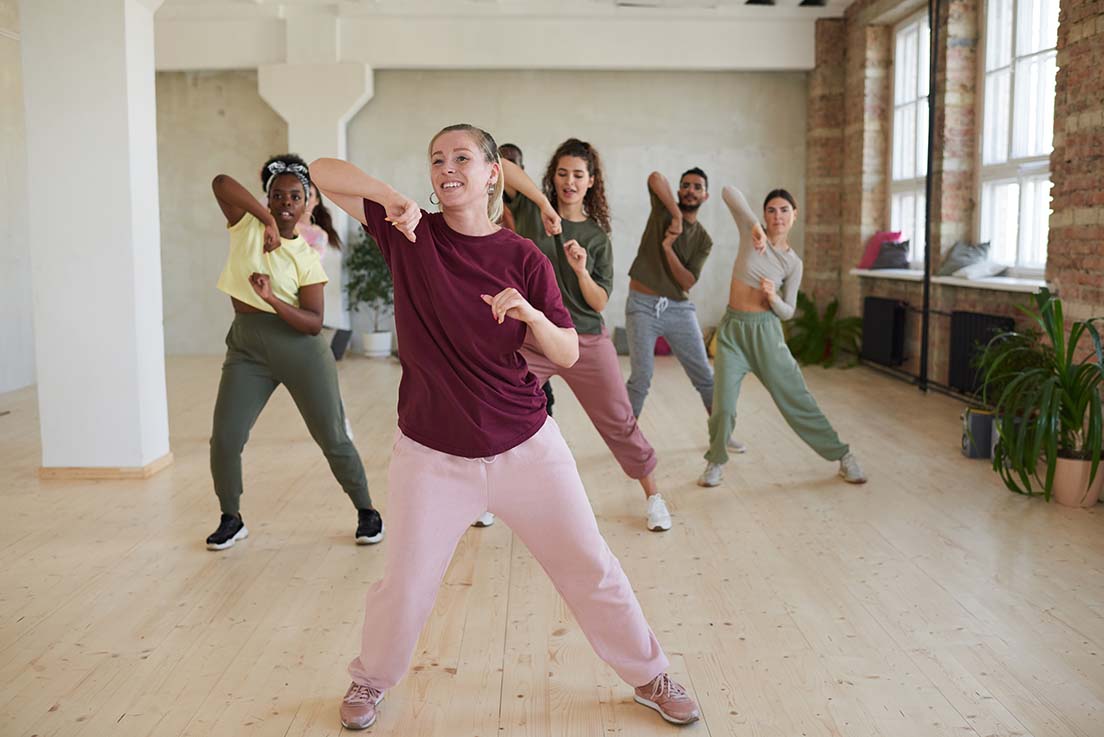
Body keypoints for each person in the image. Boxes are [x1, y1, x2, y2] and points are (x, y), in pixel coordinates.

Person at [311, 124, 700, 731]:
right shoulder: (409, 235)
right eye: (437, 158)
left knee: (588, 564)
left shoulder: (522, 256)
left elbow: (568, 351)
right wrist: (389, 199)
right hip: (431, 454)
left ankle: (651, 674)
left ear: (492, 172)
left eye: (462, 157)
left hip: (526, 446)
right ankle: (370, 681)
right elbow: (321, 169)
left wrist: (528, 316)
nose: (447, 167)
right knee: (405, 584)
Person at [204, 154, 383, 551]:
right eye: (278, 195)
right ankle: (230, 517)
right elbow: (220, 180)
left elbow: (314, 322)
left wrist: (270, 299)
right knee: (225, 438)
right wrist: (264, 221)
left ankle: (366, 510)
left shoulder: (305, 256)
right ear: (267, 199)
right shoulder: (245, 226)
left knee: (332, 436)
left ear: (307, 205)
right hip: (247, 348)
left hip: (300, 349)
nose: (286, 202)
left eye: (295, 196)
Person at [497, 137, 672, 531]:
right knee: (498, 408)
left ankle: (654, 496)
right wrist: (543, 205)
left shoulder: (596, 236)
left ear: (591, 182)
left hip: (585, 341)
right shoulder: (528, 209)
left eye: (578, 175)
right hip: (533, 339)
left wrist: (580, 269)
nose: (569, 182)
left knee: (619, 421)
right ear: (552, 177)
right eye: (562, 173)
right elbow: (500, 165)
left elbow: (597, 303)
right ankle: (493, 496)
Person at [699, 186, 866, 487]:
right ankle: (716, 461)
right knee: (722, 405)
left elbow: (788, 311)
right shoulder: (752, 236)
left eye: (784, 210)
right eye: (772, 210)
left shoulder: (793, 263)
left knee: (796, 399)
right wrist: (754, 227)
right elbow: (728, 192)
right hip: (733, 332)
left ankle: (843, 456)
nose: (778, 216)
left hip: (766, 333)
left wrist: (772, 297)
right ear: (765, 214)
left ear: (794, 216)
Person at [297, 188, 354, 360]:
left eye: (310, 195)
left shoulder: (318, 234)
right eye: (300, 193)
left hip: (308, 290)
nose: (305, 198)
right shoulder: (277, 228)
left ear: (316, 202)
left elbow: (310, 261)